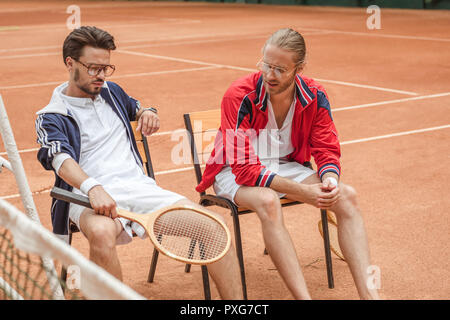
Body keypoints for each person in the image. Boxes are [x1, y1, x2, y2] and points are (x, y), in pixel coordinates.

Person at [35, 26, 242, 299]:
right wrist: (93, 188)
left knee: (213, 226)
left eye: (106, 69)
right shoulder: (51, 116)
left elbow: (137, 106)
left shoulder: (111, 92)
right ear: (70, 63)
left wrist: (148, 112)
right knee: (101, 233)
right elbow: (60, 160)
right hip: (86, 197)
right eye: (93, 68)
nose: (100, 76)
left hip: (139, 189)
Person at [196, 28, 380, 300]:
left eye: (280, 69)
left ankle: (371, 297)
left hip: (284, 166)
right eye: (266, 65)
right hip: (233, 172)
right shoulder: (238, 95)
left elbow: (326, 146)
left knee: (347, 197)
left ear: (299, 68)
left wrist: (329, 179)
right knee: (268, 201)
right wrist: (303, 191)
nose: (270, 75)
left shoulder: (314, 95)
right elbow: (245, 169)